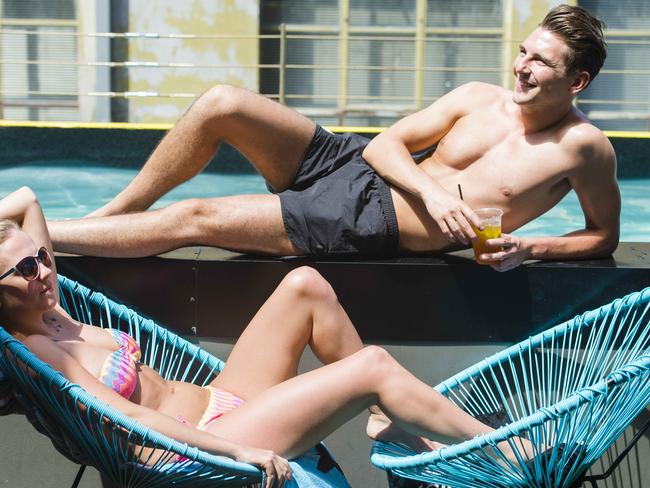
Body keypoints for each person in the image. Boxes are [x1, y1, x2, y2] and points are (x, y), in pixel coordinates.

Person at [1, 186, 537, 487]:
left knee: (304, 286)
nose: (45, 271)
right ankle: (502, 452)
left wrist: (27, 258)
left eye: (42, 257)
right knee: (371, 366)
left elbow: (26, 201)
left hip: (220, 400)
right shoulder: (33, 351)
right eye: (26, 268)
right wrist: (236, 449)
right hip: (189, 451)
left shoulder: (53, 308)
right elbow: (135, 417)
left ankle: (384, 420)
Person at [48, 4, 619, 272]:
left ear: (577, 80)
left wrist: (533, 247)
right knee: (221, 103)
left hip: (374, 219)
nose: (521, 66)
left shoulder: (585, 148)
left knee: (197, 217)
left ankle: (36, 238)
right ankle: (111, 215)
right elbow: (380, 146)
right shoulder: (477, 96)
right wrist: (440, 196)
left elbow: (603, 236)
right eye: (523, 51)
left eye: (540, 62)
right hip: (353, 162)